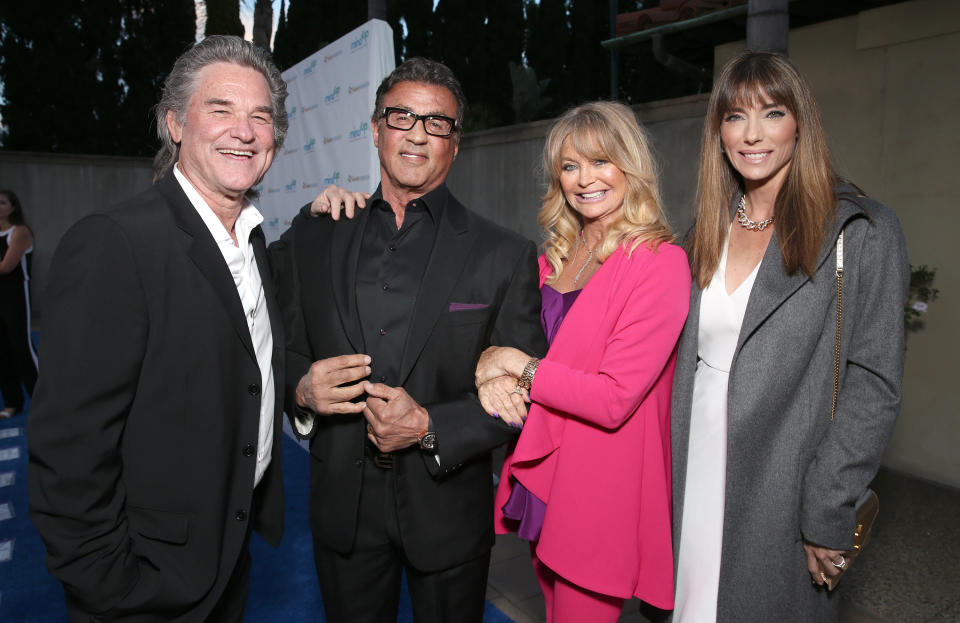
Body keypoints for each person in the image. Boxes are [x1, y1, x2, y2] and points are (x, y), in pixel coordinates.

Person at [269, 57, 546, 623]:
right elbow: (269, 338)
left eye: (436, 123)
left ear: (455, 143)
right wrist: (300, 388)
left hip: (446, 513)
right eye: (401, 117)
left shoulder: (503, 254)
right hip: (341, 514)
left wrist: (429, 427)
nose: (418, 133)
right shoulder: (317, 234)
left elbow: (521, 392)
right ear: (374, 130)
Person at [28, 35, 287, 622]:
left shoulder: (252, 241)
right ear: (174, 123)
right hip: (145, 584)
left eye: (260, 117)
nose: (243, 131)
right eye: (220, 109)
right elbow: (70, 446)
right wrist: (111, 587)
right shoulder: (115, 243)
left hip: (228, 554)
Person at [670, 51, 909, 622]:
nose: (752, 135)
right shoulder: (704, 229)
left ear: (800, 123)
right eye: (734, 117)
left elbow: (872, 385)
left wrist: (827, 506)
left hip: (783, 480)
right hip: (689, 469)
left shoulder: (860, 230)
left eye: (771, 113)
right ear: (718, 132)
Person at [473, 101, 691, 622]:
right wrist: (488, 360)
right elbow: (502, 337)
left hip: (599, 484)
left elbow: (614, 398)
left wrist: (514, 364)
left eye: (600, 162)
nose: (584, 179)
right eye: (569, 166)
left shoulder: (658, 263)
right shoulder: (555, 258)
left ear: (630, 166)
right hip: (545, 462)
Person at [0, 189, 39, 418]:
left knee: (21, 346)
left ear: (13, 207)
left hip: (14, 294)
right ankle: (12, 402)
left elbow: (7, 266)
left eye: (3, 202)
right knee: (1, 349)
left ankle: (43, 400)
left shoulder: (20, 232)